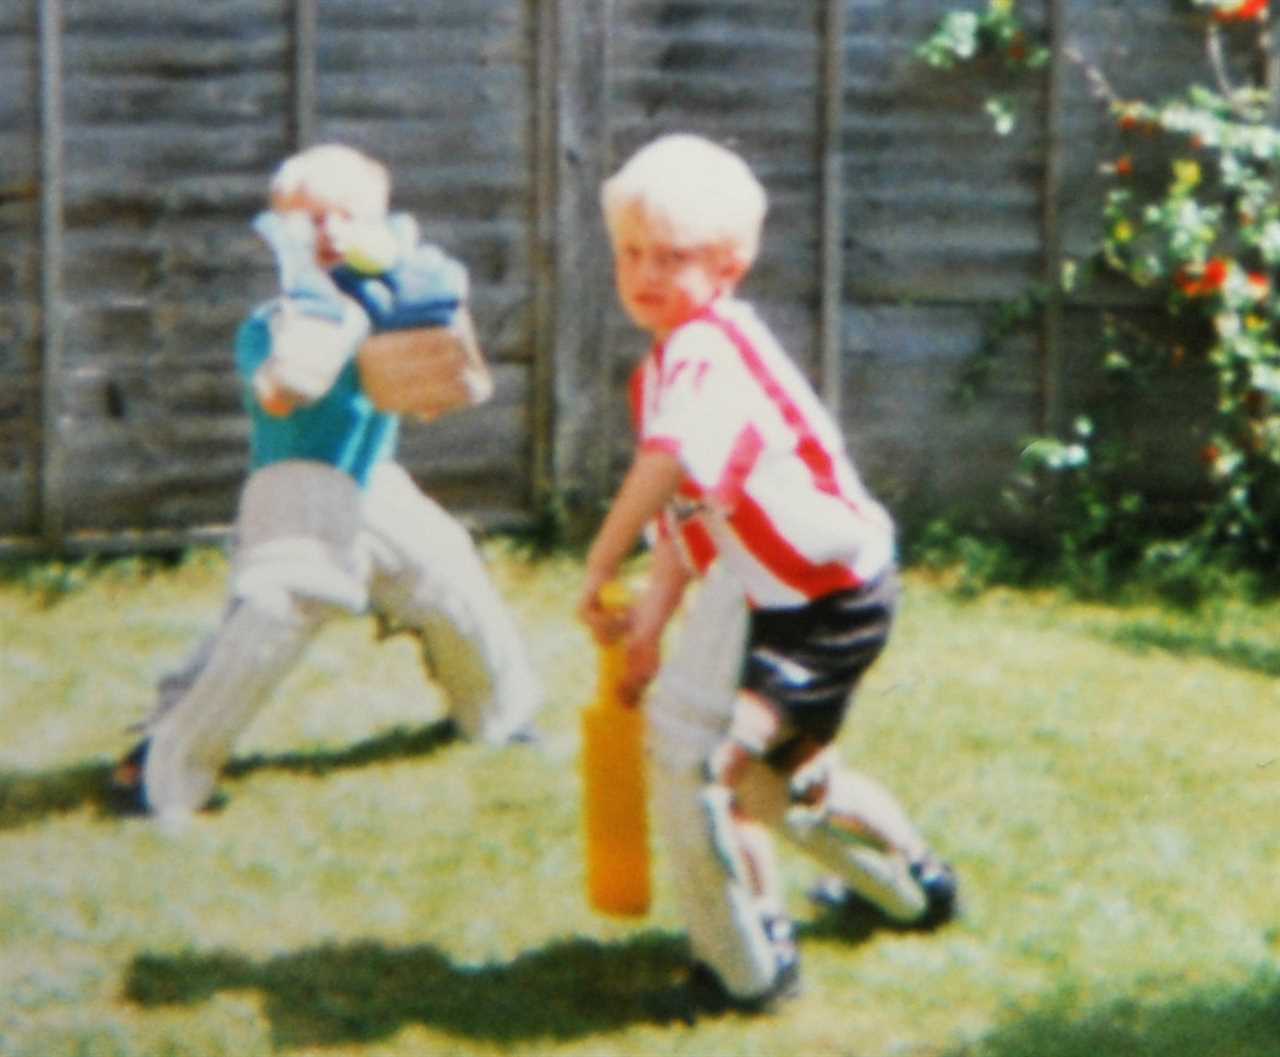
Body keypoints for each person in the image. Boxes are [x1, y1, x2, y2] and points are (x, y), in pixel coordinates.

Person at [577, 133, 958, 1013]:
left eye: (671, 256)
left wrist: (599, 563)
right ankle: (911, 889)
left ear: (730, 264)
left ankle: (746, 967)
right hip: (759, 588)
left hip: (826, 601)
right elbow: (688, 523)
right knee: (769, 777)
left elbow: (667, 465)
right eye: (630, 253)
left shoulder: (709, 354)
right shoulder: (670, 361)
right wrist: (645, 629)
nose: (644, 273)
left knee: (707, 762)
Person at [113, 143, 542, 821]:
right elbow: (279, 393)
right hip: (298, 489)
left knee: (450, 577)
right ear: (281, 230)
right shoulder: (280, 320)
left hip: (376, 483)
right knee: (269, 620)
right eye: (310, 219)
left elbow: (435, 392)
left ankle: (498, 716)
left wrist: (437, 361)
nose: (330, 232)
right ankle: (162, 768)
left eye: (347, 216)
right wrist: (305, 355)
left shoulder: (391, 304)